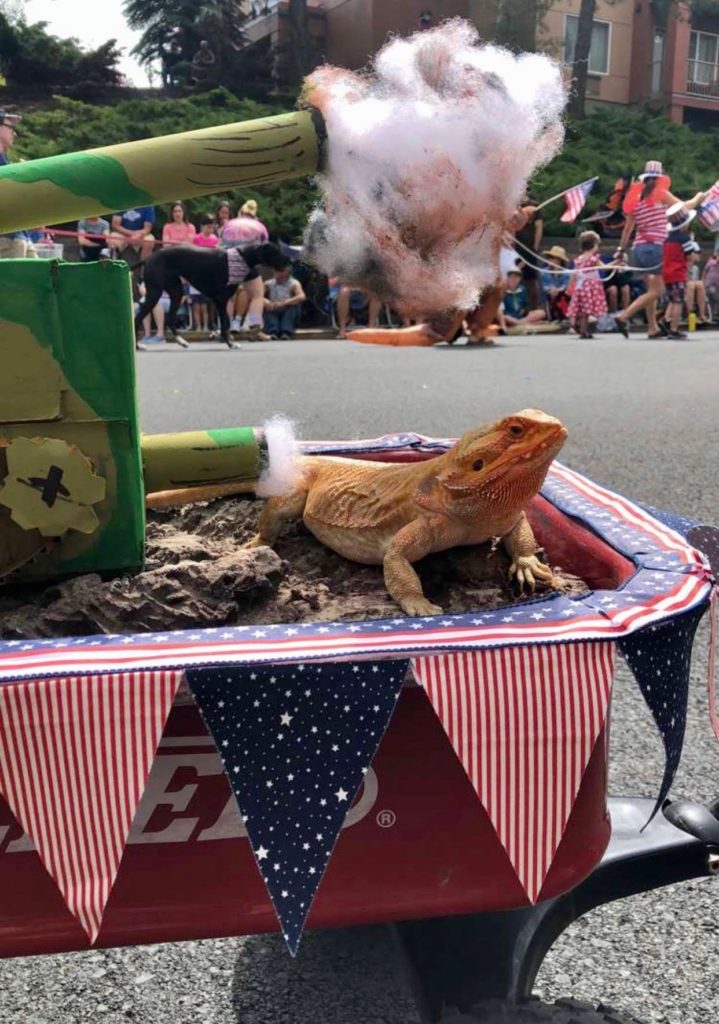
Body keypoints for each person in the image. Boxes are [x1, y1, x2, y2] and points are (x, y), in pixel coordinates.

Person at [614, 161, 704, 339]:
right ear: (659, 177)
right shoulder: (661, 193)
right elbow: (684, 208)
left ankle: (652, 327)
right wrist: (698, 198)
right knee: (656, 291)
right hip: (657, 246)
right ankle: (624, 316)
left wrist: (620, 249)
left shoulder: (635, 198)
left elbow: (627, 229)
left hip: (639, 247)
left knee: (650, 289)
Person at [0, 109, 38, 259]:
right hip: (6, 235)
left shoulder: (5, 161)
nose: (14, 134)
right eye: (10, 128)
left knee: (39, 277)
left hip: (19, 234)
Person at [660, 207, 696, 340]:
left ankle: (666, 320)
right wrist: (689, 270)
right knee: (678, 301)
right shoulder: (684, 238)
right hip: (678, 272)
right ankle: (674, 328)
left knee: (672, 299)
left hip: (667, 272)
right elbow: (690, 256)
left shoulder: (667, 238)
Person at [513, 197, 543, 311]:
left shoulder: (534, 205)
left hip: (529, 248)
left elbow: (539, 226)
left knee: (531, 279)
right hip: (515, 248)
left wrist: (535, 246)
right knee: (514, 277)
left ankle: (534, 307)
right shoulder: (512, 203)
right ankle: (518, 309)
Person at [264, 262, 306, 338]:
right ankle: (273, 332)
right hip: (274, 307)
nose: (276, 273)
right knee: (268, 309)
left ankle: (286, 332)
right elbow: (258, 296)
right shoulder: (268, 283)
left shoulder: (294, 283)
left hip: (287, 308)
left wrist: (285, 303)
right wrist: (267, 302)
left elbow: (301, 296)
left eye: (279, 271)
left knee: (293, 308)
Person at [539, 245, 571, 322]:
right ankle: (550, 316)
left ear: (559, 260)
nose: (550, 260)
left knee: (564, 294)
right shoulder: (543, 272)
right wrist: (551, 290)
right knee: (549, 295)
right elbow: (544, 286)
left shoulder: (566, 273)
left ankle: (563, 316)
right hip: (548, 296)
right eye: (549, 257)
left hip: (561, 296)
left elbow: (565, 286)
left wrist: (558, 290)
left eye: (553, 258)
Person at [701, 249, 719, 320]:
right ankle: (706, 314)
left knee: (716, 300)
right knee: (708, 299)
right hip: (708, 285)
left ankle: (715, 314)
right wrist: (702, 280)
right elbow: (705, 271)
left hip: (717, 286)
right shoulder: (711, 262)